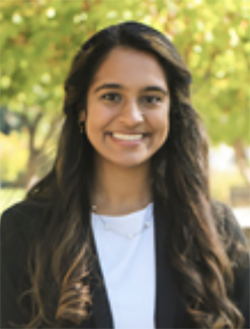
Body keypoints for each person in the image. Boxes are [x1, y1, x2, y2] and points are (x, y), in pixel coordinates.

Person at [0, 21, 249, 329]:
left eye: (152, 98)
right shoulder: (23, 232)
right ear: (81, 109)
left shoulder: (215, 231)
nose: (132, 117)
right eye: (111, 96)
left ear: (172, 111)